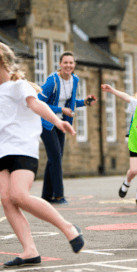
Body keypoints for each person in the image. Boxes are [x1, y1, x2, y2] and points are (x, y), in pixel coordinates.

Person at [0, 42, 84, 267]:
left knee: (19, 195)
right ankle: (29, 250)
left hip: (22, 149)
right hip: (0, 155)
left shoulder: (19, 86)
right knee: (7, 200)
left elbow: (36, 105)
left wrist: (58, 121)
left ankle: (68, 228)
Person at [38, 51, 97, 204]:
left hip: (62, 123)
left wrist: (83, 102)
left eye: (71, 63)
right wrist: (60, 110)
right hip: (46, 122)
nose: (68, 65)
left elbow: (69, 103)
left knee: (54, 158)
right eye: (65, 62)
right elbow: (39, 103)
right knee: (56, 157)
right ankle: (59, 196)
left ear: (74, 65)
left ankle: (46, 195)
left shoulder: (74, 80)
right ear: (60, 64)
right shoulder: (52, 81)